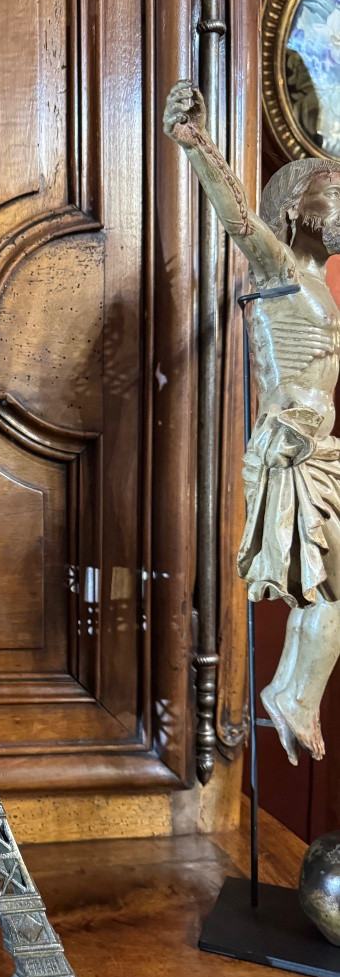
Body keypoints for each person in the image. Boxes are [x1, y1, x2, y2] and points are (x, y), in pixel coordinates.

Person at [163, 79, 340, 765]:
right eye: (333, 193)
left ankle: (294, 695)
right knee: (325, 594)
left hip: (316, 450)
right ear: (297, 206)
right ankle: (293, 697)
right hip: (292, 451)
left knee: (326, 595)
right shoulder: (281, 268)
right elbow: (238, 220)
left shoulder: (320, 282)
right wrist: (198, 143)